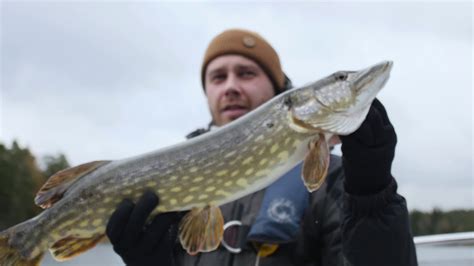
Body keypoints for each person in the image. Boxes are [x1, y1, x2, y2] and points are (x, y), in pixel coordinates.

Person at [105, 29, 418, 266]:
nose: (230, 86)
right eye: (218, 77)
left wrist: (371, 201)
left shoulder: (333, 182)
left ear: (279, 90)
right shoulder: (172, 184)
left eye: (246, 73)